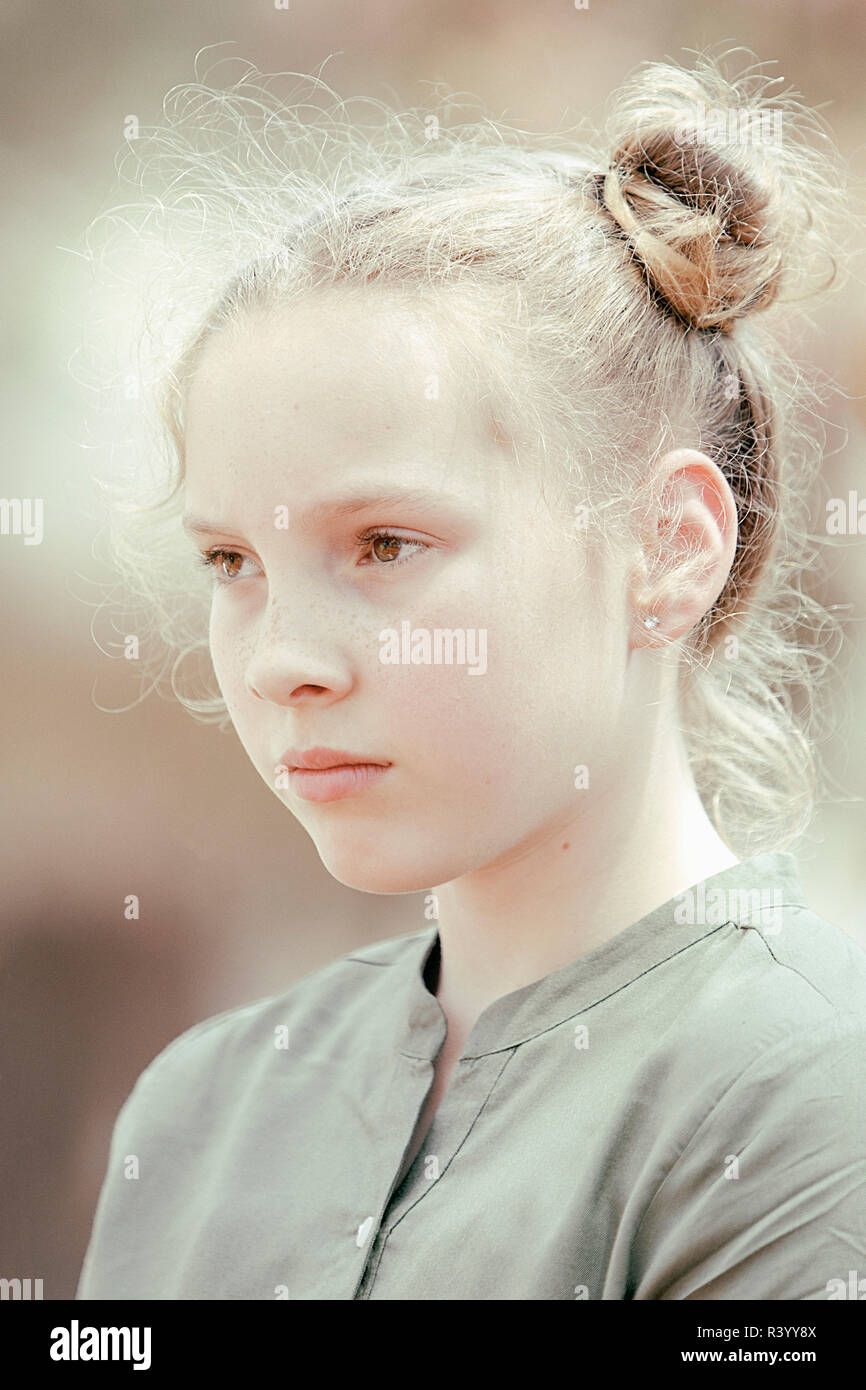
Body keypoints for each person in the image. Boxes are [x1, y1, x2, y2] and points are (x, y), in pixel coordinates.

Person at [76, 49, 866, 1300]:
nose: (282, 660)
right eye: (231, 558)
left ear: (668, 547)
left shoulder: (810, 1095)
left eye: (385, 544)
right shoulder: (197, 1111)